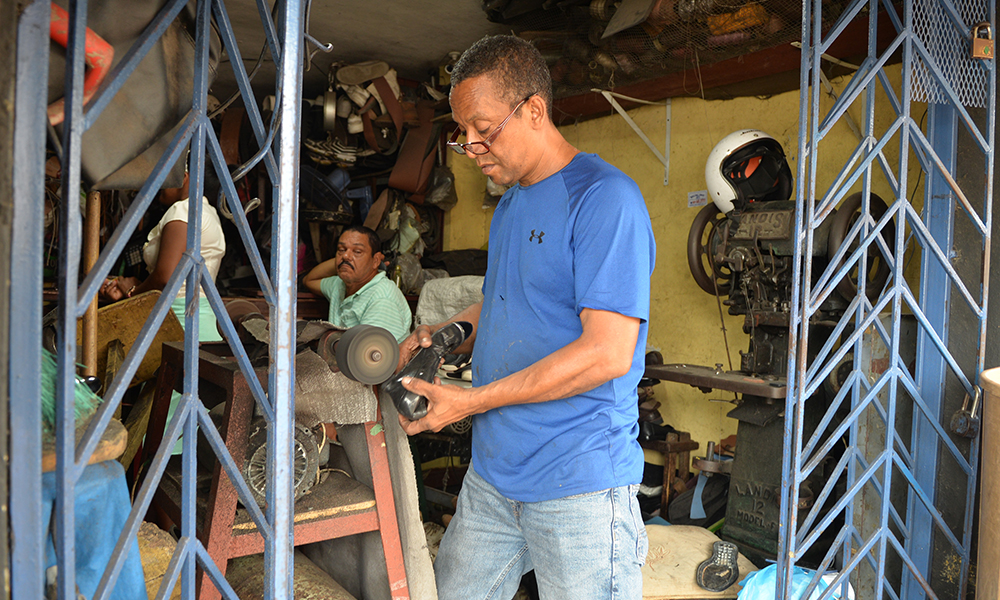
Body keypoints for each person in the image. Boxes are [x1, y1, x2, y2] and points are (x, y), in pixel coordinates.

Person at [396, 35, 656, 599]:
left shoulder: (604, 199)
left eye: (483, 129)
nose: (472, 147)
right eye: (462, 134)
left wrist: (470, 402)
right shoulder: (512, 203)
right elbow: (504, 300)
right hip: (494, 477)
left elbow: (607, 353)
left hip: (579, 486)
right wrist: (444, 336)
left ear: (534, 109)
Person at [99, 165, 226, 342]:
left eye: (166, 176)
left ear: (183, 177)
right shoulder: (207, 211)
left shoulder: (183, 210)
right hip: (204, 323)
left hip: (177, 324)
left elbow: (165, 278)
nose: (160, 184)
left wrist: (133, 292)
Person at [303, 225, 412, 343]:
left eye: (357, 251)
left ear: (375, 260)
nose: (345, 255)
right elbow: (309, 280)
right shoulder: (340, 284)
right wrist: (344, 260)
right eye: (341, 249)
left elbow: (370, 357)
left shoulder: (382, 297)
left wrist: (346, 259)